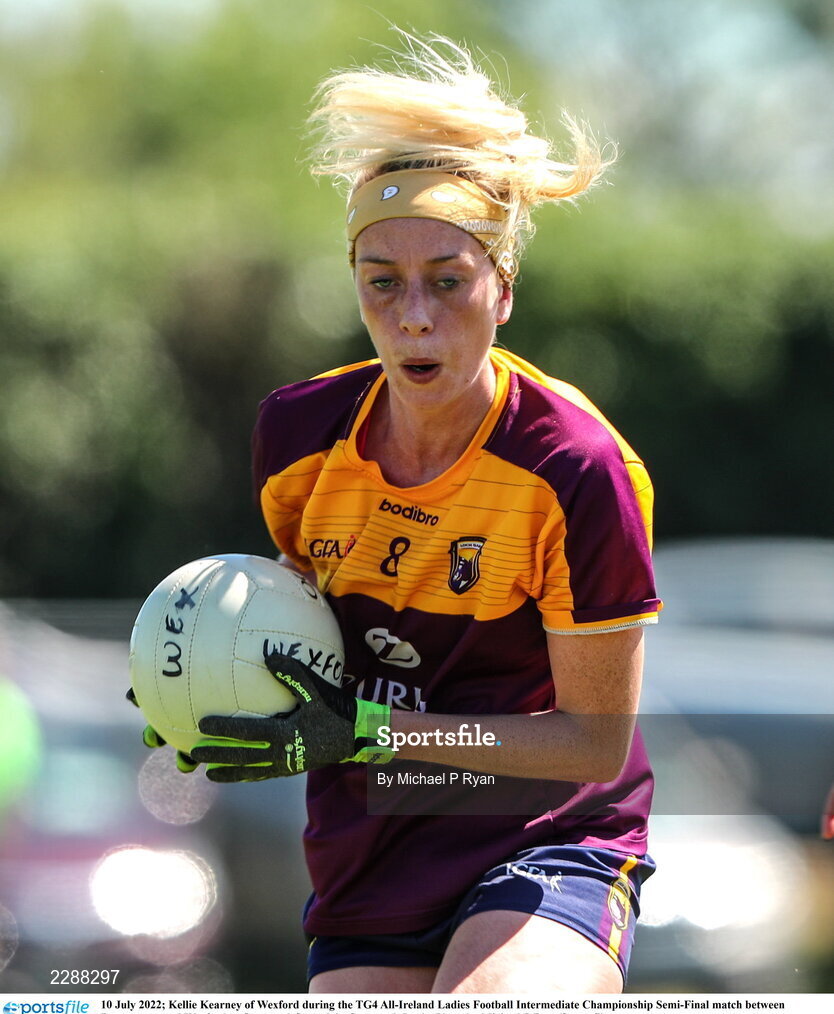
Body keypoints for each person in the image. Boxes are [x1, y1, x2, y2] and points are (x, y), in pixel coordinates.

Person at [186, 33, 662, 994]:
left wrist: (368, 734)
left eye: (448, 280)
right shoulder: (296, 436)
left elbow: (592, 741)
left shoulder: (576, 466)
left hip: (548, 835)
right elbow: (308, 622)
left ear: (503, 291)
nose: (413, 316)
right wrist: (196, 669)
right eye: (382, 281)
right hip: (376, 847)